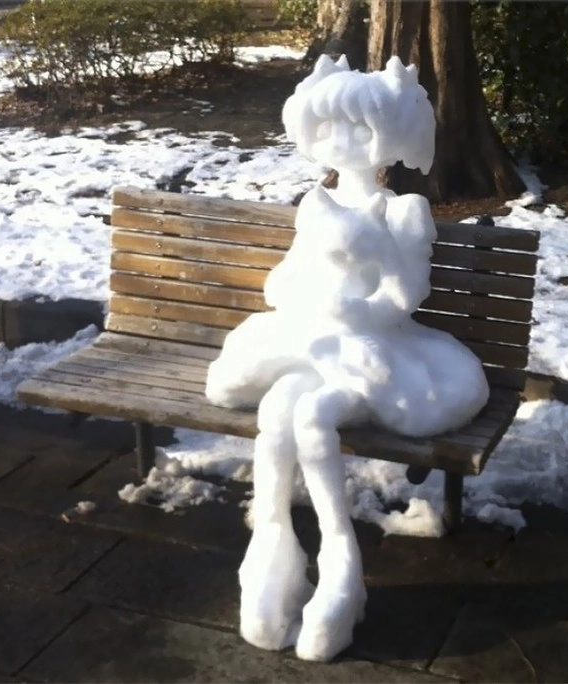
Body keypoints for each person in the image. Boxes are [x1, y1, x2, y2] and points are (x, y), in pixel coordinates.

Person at [205, 55, 489, 662]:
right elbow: (282, 283)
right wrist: (312, 296)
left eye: (360, 128)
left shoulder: (403, 210)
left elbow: (405, 296)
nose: (342, 140)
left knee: (312, 416)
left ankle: (340, 561)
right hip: (311, 340)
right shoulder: (316, 205)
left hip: (372, 352)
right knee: (278, 408)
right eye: (329, 127)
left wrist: (366, 283)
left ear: (393, 135)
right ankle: (272, 546)